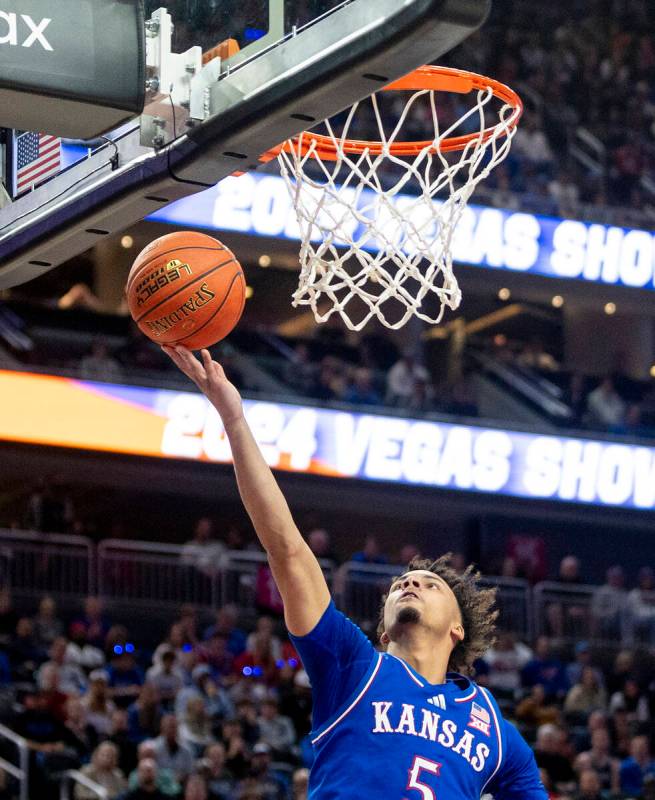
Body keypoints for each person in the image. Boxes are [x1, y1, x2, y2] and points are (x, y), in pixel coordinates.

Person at [163, 345, 547, 799]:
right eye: (402, 583)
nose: (410, 583)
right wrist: (234, 421)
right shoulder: (354, 665)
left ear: (458, 628)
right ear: (383, 631)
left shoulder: (493, 728)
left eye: (431, 584)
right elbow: (286, 548)